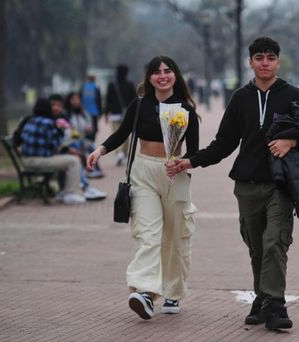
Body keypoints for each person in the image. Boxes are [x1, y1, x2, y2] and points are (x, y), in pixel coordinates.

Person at [166, 36, 299, 331]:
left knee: (275, 242)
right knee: (257, 247)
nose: (265, 63)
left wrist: (291, 140)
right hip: (247, 184)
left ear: (278, 62)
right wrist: (190, 161)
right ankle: (262, 297)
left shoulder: (293, 95)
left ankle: (275, 305)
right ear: (250, 62)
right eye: (259, 57)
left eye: (271, 58)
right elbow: (224, 143)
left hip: (281, 184)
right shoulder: (240, 98)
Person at [86, 56, 200, 320]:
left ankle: (173, 291)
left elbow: (194, 151)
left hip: (174, 173)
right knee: (147, 233)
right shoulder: (139, 105)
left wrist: (184, 163)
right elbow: (122, 133)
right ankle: (146, 292)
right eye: (156, 72)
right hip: (143, 171)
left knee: (175, 236)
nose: (162, 76)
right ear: (149, 78)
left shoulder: (185, 109)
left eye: (167, 71)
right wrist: (100, 150)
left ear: (175, 75)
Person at [19, 98, 86, 205]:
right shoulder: (47, 123)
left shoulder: (32, 120)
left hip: (27, 159)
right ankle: (71, 194)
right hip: (37, 161)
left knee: (66, 159)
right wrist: (61, 132)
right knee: (73, 161)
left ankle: (64, 192)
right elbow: (55, 145)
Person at [50, 94, 106, 201]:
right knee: (75, 156)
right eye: (53, 105)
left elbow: (72, 132)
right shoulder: (50, 120)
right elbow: (54, 144)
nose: (56, 107)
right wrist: (69, 149)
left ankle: (85, 181)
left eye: (59, 105)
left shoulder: (79, 113)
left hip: (73, 142)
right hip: (54, 152)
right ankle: (84, 186)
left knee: (82, 147)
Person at [105, 64, 137, 166]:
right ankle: (124, 154)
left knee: (116, 133)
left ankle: (119, 153)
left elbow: (108, 100)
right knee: (126, 135)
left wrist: (106, 113)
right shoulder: (130, 84)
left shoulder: (112, 85)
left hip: (115, 114)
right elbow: (135, 100)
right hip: (127, 114)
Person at [80, 75, 103, 141]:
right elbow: (99, 101)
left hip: (84, 111)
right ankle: (92, 139)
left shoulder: (83, 87)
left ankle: (87, 138)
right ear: (94, 80)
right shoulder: (96, 88)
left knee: (86, 126)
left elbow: (80, 98)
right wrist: (100, 112)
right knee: (94, 127)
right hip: (94, 111)